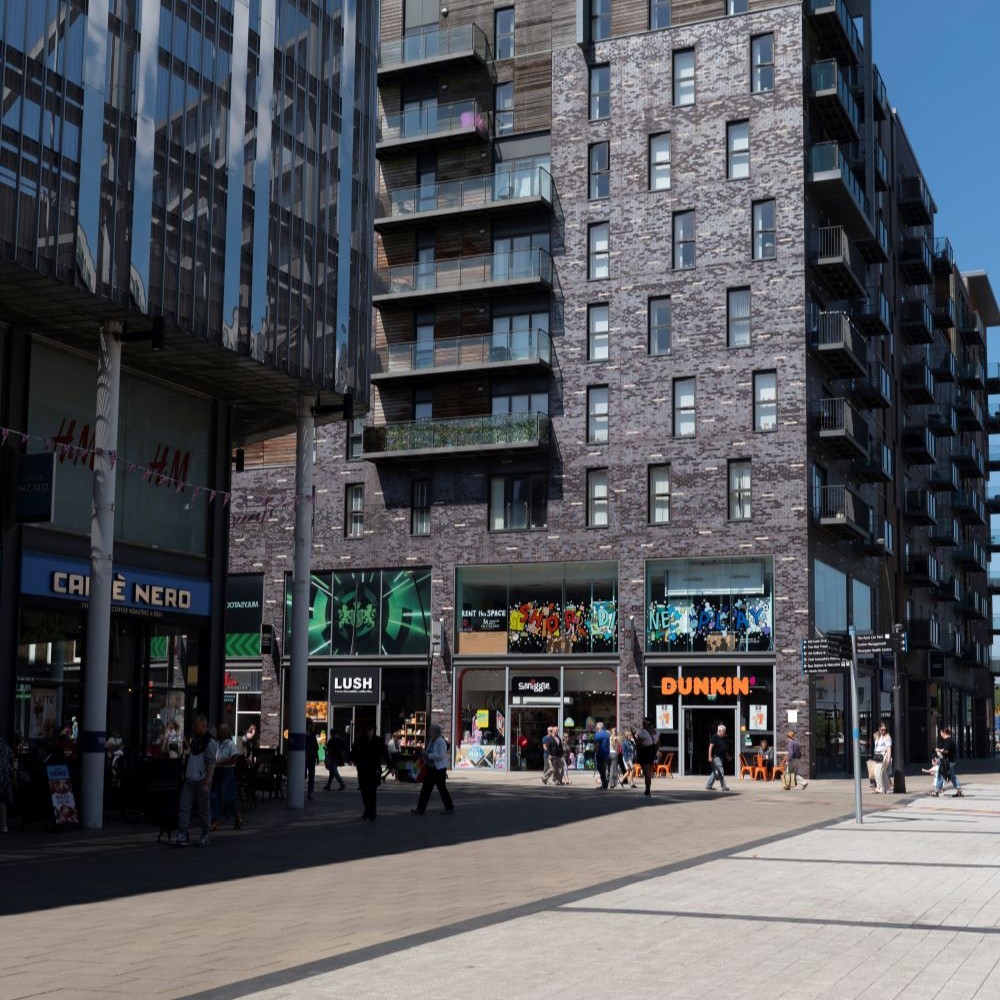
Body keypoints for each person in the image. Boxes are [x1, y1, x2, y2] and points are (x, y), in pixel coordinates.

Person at [176, 714, 217, 846]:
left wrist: (206, 782)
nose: (194, 727)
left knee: (204, 809)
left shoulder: (209, 742)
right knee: (184, 806)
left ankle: (205, 834)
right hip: (190, 779)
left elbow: (211, 764)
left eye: (197, 725)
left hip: (201, 780)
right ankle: (182, 833)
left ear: (204, 725)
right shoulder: (195, 740)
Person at [411, 723, 454, 815]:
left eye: (431, 730)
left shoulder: (440, 741)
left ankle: (449, 807)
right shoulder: (431, 740)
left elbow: (440, 756)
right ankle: (420, 808)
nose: (429, 732)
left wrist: (428, 755)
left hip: (439, 769)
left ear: (435, 732)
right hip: (430, 768)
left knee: (442, 788)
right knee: (425, 788)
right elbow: (429, 751)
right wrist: (423, 754)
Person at [351, 723, 389, 820]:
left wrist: (391, 765)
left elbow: (385, 753)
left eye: (370, 730)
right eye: (366, 730)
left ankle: (372, 811)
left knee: (372, 791)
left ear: (373, 730)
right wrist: (352, 759)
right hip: (362, 769)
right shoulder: (359, 740)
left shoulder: (378, 741)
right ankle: (367, 809)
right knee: (364, 791)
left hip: (374, 769)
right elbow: (353, 752)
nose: (368, 732)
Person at [210, 723, 240, 830]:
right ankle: (215, 820)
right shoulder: (217, 744)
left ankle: (237, 815)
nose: (220, 733)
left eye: (223, 732)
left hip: (227, 771)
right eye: (220, 731)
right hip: (217, 771)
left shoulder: (230, 744)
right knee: (215, 797)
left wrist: (222, 762)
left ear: (226, 733)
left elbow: (234, 760)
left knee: (228, 798)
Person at [930, 725, 963, 798]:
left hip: (947, 762)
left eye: (940, 732)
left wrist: (939, 750)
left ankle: (936, 791)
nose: (940, 734)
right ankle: (959, 791)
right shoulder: (949, 740)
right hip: (951, 761)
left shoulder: (947, 741)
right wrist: (936, 751)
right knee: (952, 776)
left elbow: (946, 751)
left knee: (940, 775)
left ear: (943, 732)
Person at [635, 718, 658, 797]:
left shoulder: (643, 732)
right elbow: (658, 744)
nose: (644, 725)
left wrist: (634, 736)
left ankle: (647, 792)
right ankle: (647, 791)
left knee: (647, 774)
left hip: (644, 753)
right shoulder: (656, 732)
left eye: (644, 724)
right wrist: (655, 752)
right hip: (651, 753)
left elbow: (638, 743)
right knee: (648, 773)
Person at [706, 724, 731, 792]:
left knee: (715, 772)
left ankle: (709, 785)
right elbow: (710, 747)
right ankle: (724, 786)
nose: (724, 732)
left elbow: (724, 748)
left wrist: (727, 756)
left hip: (721, 757)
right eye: (723, 731)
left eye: (725, 731)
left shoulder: (723, 738)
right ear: (719, 731)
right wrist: (709, 756)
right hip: (716, 757)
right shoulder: (715, 737)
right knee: (720, 770)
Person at [871, 721, 891, 794]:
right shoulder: (878, 736)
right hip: (878, 756)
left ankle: (880, 788)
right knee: (883, 772)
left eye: (885, 730)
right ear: (879, 729)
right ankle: (887, 789)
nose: (883, 731)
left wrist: (888, 758)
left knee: (877, 771)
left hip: (883, 755)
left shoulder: (887, 737)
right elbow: (874, 736)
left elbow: (889, 748)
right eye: (882, 729)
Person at [0, 734, 14, 833]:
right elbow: (12, 755)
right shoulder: (3, 742)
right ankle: (4, 825)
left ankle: (3, 824)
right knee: (2, 799)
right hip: (4, 774)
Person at [592, 721, 611, 789]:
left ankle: (604, 783)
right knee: (605, 768)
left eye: (596, 727)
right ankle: (605, 782)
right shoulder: (607, 734)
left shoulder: (598, 734)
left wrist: (595, 752)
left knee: (600, 769)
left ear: (598, 727)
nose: (596, 728)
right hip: (607, 753)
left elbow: (596, 745)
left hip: (600, 754)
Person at [305, 719, 319, 800]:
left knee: (311, 776)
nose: (309, 725)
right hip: (304, 757)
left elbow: (316, 746)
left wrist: (317, 757)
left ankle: (310, 793)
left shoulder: (312, 734)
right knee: (303, 775)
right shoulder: (303, 733)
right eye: (307, 724)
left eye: (310, 724)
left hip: (312, 756)